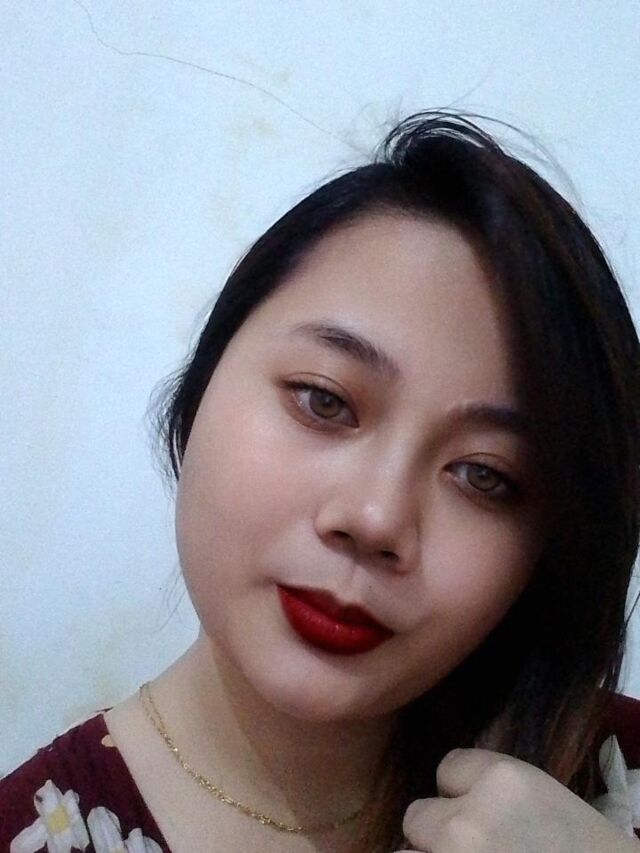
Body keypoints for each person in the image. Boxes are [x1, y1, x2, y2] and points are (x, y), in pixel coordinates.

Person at [2, 111, 640, 853]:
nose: (375, 518)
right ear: (200, 388)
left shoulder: (613, 787)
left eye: (484, 475)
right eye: (324, 401)